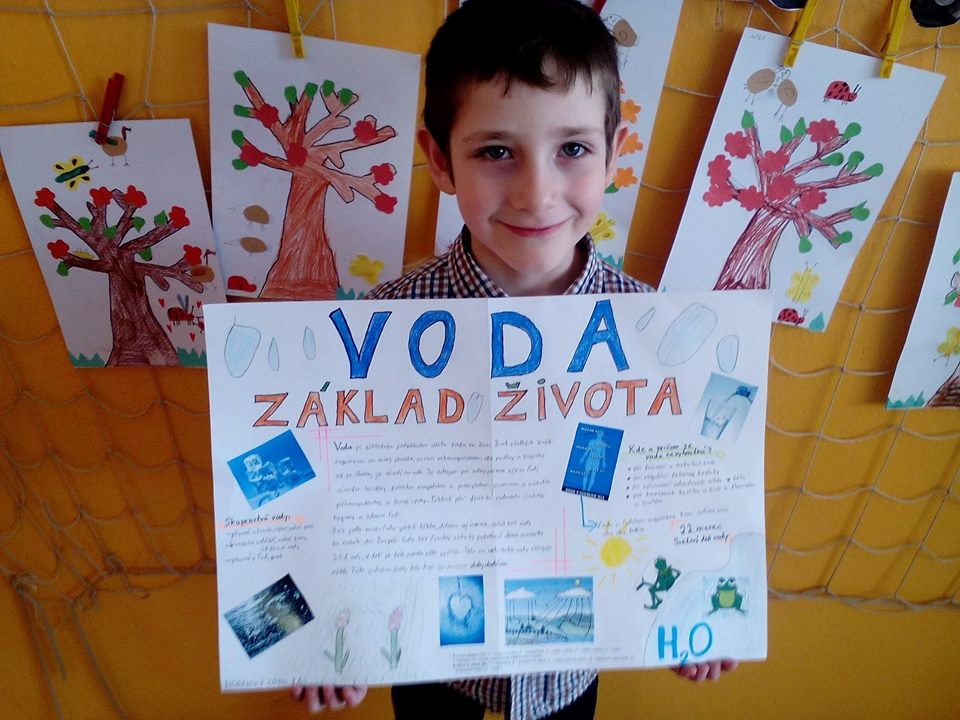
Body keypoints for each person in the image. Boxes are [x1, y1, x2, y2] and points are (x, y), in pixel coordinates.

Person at [290, 0, 737, 716]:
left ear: (615, 151)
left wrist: (696, 607)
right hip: (431, 655)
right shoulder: (372, 336)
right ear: (440, 161)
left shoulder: (660, 337)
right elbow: (340, 497)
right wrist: (326, 632)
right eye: (496, 151)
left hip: (569, 661)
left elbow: (674, 489)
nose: (537, 192)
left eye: (573, 148)